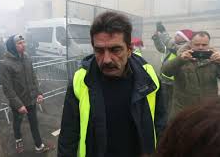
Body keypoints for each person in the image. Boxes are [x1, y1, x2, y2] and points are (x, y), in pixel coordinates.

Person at [58, 11, 166, 157]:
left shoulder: (148, 76)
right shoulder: (81, 80)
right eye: (99, 50)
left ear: (129, 50)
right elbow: (68, 138)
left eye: (115, 50)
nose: (107, 59)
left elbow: (161, 127)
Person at [161, 31, 220, 119]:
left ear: (208, 45)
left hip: (207, 110)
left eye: (204, 45)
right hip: (183, 110)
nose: (200, 47)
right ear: (190, 44)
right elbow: (165, 71)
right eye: (197, 44)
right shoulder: (182, 57)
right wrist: (180, 60)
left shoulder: (214, 58)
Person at [0, 34, 54, 154]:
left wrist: (39, 93)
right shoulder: (5, 64)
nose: (23, 45)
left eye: (24, 42)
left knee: (34, 123)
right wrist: (18, 105)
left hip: (30, 99)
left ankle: (39, 146)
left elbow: (33, 77)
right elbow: (7, 88)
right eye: (19, 43)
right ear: (12, 46)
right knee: (17, 123)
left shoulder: (27, 58)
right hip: (18, 102)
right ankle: (18, 139)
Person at [156, 97, 220, 157]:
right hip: (185, 113)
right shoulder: (182, 125)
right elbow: (166, 74)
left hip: (213, 116)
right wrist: (176, 70)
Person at [152, 23, 193, 119]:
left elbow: (169, 43)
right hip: (165, 78)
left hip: (175, 81)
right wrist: (156, 38)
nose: (175, 36)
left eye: (178, 35)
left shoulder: (186, 48)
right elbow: (162, 49)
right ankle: (163, 118)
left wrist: (163, 33)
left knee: (171, 104)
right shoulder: (173, 46)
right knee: (164, 101)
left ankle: (169, 121)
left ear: (185, 38)